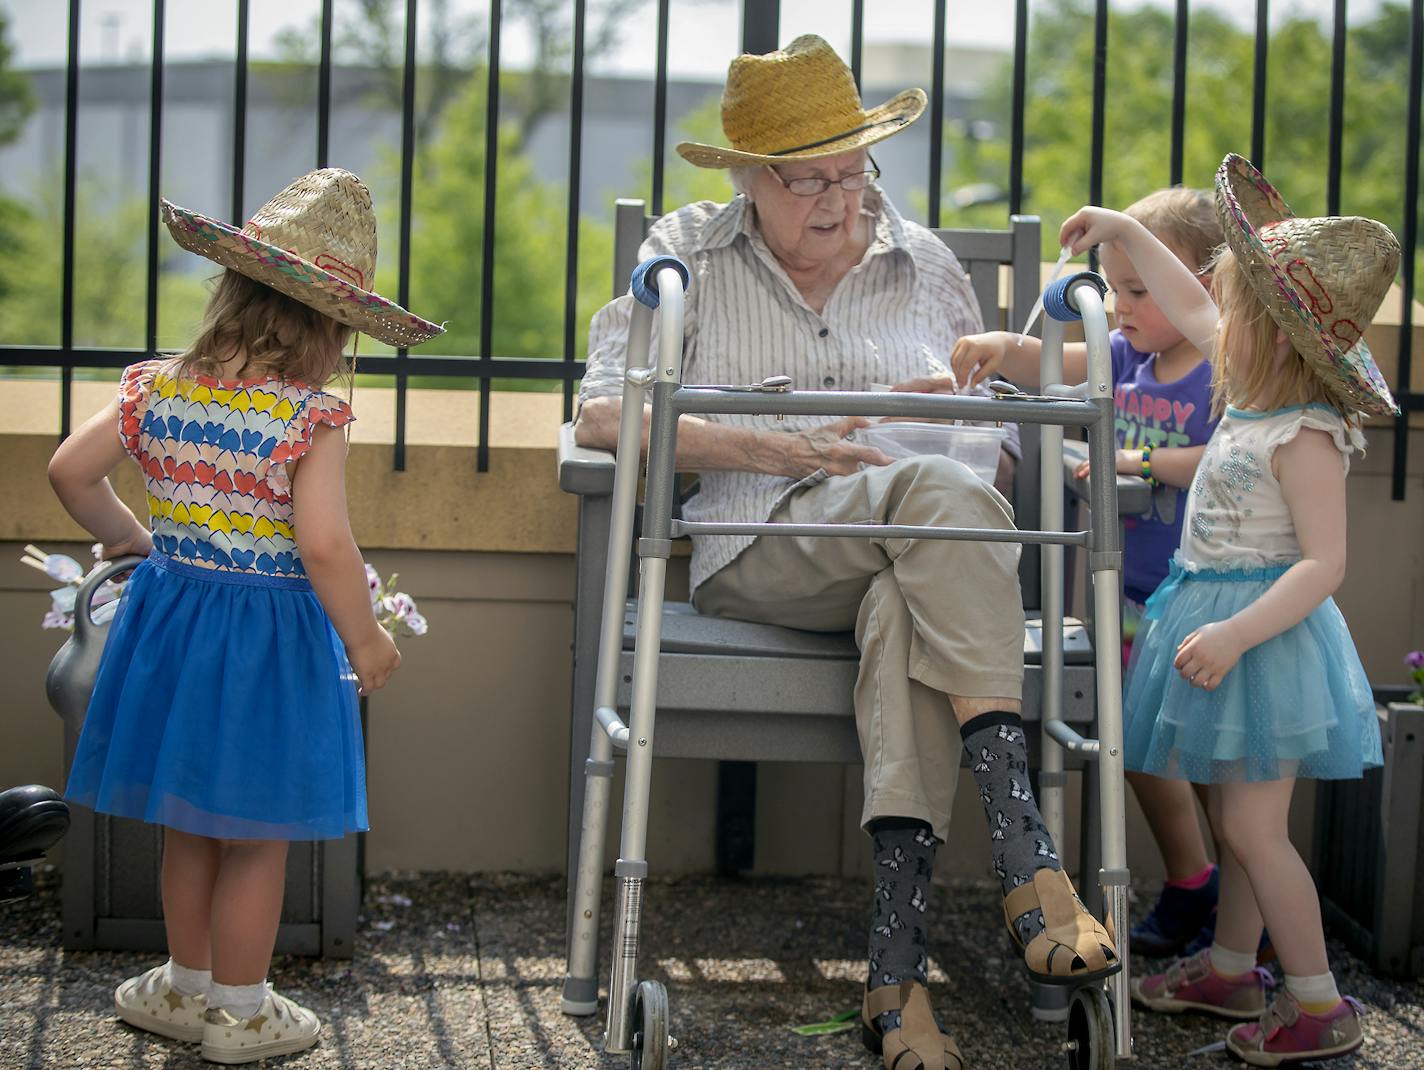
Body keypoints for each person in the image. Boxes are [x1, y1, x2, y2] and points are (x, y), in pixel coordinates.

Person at [576, 34, 1116, 1070]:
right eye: (807, 177)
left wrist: (960, 423)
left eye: (852, 170)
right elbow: (603, 413)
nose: (839, 197)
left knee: (908, 593)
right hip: (765, 548)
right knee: (931, 508)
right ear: (747, 178)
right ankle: (1026, 855)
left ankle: (893, 980)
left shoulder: (922, 264)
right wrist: (768, 443)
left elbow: (993, 433)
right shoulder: (687, 255)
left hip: (914, 556)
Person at [51, 169, 443, 1064]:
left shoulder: (156, 387)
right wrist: (367, 638)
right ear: (331, 326)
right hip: (266, 643)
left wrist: (134, 542)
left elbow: (70, 473)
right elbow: (326, 547)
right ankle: (241, 1011)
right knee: (258, 836)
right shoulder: (308, 414)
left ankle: (183, 988)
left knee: (190, 818)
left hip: (172, 625)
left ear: (230, 291)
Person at [1057, 153, 1393, 1066]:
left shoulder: (1306, 433)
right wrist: (1123, 231)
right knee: (1245, 819)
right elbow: (1191, 299)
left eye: (1231, 310)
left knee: (1249, 827)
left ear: (1278, 336)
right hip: (1222, 625)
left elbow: (1326, 564)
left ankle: (1318, 1003)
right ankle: (1235, 968)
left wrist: (1239, 632)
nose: (1211, 321)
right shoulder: (1248, 392)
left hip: (1266, 641)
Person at [950, 189, 1228, 959]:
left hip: (1204, 599)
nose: (1123, 305)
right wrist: (1000, 345)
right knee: (1137, 749)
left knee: (1212, 762)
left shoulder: (1223, 368)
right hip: (1129, 597)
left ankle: (1237, 907)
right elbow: (1052, 362)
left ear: (1199, 285)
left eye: (1141, 290)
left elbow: (1229, 459)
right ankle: (1192, 882)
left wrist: (1133, 460)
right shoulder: (1125, 354)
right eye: (1114, 288)